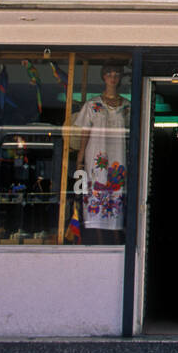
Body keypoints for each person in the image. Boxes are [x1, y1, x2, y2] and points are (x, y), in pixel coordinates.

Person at [70, 63, 130, 245]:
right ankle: (96, 242)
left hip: (118, 159)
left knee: (116, 198)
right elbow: (85, 132)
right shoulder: (92, 104)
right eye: (109, 73)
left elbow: (133, 134)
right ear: (103, 77)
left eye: (116, 74)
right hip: (97, 157)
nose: (113, 77)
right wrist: (80, 159)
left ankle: (117, 241)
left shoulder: (127, 106)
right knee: (95, 195)